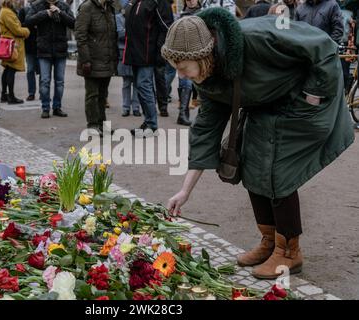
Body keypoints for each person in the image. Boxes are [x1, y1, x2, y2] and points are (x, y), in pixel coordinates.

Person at [164, 10, 354, 279]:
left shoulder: (258, 36)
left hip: (307, 100)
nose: (180, 75)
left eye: (182, 67)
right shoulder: (207, 77)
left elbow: (323, 45)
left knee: (277, 167)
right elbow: (205, 133)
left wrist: (313, 95)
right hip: (269, 103)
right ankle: (270, 241)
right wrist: (184, 191)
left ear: (203, 54)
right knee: (251, 157)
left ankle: (289, 252)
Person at [124, 0, 174, 137]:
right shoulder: (135, 2)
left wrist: (160, 52)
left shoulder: (158, 2)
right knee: (140, 88)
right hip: (135, 53)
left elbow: (166, 27)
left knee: (144, 86)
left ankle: (152, 125)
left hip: (148, 53)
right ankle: (147, 121)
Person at [75, 0, 118, 136]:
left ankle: (102, 124)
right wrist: (86, 60)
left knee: (103, 95)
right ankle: (93, 125)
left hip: (107, 59)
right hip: (92, 60)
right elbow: (81, 36)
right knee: (92, 95)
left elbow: (112, 36)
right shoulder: (87, 7)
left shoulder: (110, 7)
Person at [26, 0, 75, 119]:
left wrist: (61, 13)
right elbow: (27, 21)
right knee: (45, 81)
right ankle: (45, 108)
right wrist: (44, 13)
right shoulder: (37, 5)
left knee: (60, 82)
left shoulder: (64, 6)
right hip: (44, 49)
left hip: (60, 49)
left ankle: (57, 107)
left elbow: (74, 24)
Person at [174, 0, 203, 126]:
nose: (191, 0)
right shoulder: (181, 15)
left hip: (199, 56)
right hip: (183, 55)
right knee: (184, 83)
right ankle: (182, 115)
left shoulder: (203, 14)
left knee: (200, 85)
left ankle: (201, 117)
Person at [0, 0, 30, 104]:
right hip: (13, 45)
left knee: (7, 69)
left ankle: (4, 95)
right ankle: (11, 97)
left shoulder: (6, 11)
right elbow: (16, 29)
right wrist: (26, 31)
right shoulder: (7, 12)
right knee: (11, 69)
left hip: (9, 44)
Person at [116, 3, 141, 117]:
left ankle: (136, 107)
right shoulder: (118, 18)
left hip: (136, 52)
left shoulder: (138, 16)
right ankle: (125, 107)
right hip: (124, 52)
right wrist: (133, 30)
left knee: (137, 82)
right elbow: (120, 33)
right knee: (126, 82)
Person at [19, 0, 39, 101]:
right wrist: (32, 23)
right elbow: (20, 25)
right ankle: (31, 93)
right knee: (30, 70)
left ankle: (43, 93)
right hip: (29, 45)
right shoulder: (24, 10)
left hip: (41, 45)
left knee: (43, 72)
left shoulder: (42, 7)